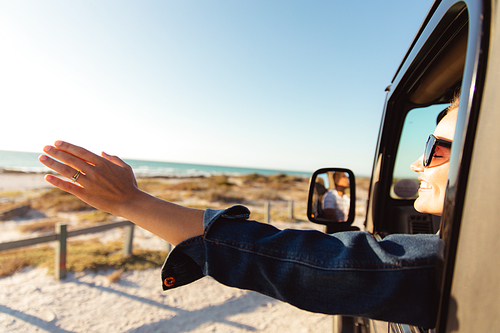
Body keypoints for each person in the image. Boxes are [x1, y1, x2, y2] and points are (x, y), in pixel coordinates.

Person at [38, 97, 458, 328]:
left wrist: (130, 202)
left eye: (436, 149)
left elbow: (299, 262)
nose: (418, 164)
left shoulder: (447, 264)